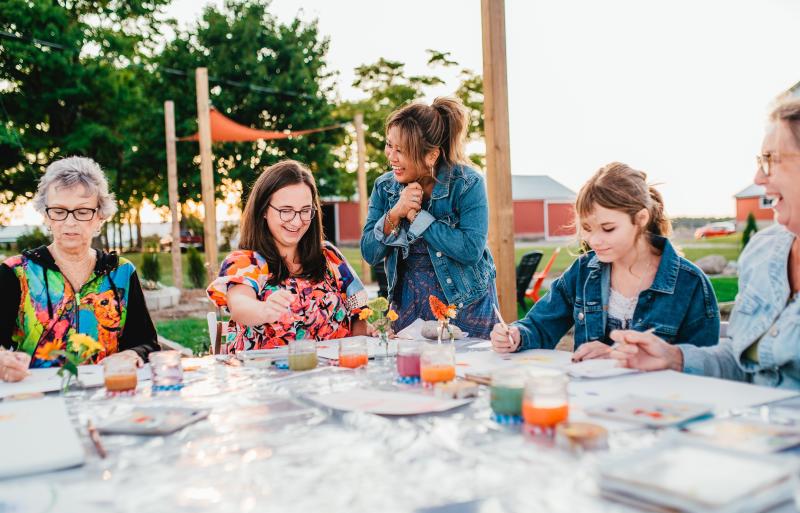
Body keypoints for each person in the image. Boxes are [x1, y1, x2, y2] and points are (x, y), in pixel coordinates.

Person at [611, 99, 800, 389]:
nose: (758, 177)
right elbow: (742, 361)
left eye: (770, 159)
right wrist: (674, 358)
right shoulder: (763, 251)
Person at [491, 162, 720, 356]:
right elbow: (540, 325)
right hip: (590, 401)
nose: (594, 240)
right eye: (588, 229)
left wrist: (615, 357)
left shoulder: (689, 283)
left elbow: (702, 365)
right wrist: (517, 335)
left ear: (640, 218)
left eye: (608, 228)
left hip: (660, 405)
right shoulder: (582, 272)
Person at [0, 156, 160, 382]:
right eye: (59, 211)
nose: (70, 222)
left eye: (83, 212)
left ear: (100, 217)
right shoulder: (16, 272)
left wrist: (132, 354)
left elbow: (147, 344)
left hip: (108, 394)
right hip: (34, 397)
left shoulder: (121, 272)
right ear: (46, 216)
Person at [360, 96, 498, 339]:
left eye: (400, 150)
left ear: (431, 156)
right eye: (389, 145)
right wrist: (395, 213)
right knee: (412, 375)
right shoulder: (384, 188)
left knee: (468, 373)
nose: (391, 156)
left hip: (465, 308)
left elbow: (470, 249)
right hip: (408, 308)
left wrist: (418, 218)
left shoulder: (467, 184)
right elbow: (370, 253)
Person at [207, 160, 368, 352]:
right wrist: (264, 310)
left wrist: (359, 354)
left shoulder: (329, 257)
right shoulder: (246, 262)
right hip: (267, 378)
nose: (297, 221)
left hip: (331, 377)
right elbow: (240, 305)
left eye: (305, 211)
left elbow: (358, 309)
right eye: (286, 211)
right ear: (264, 209)